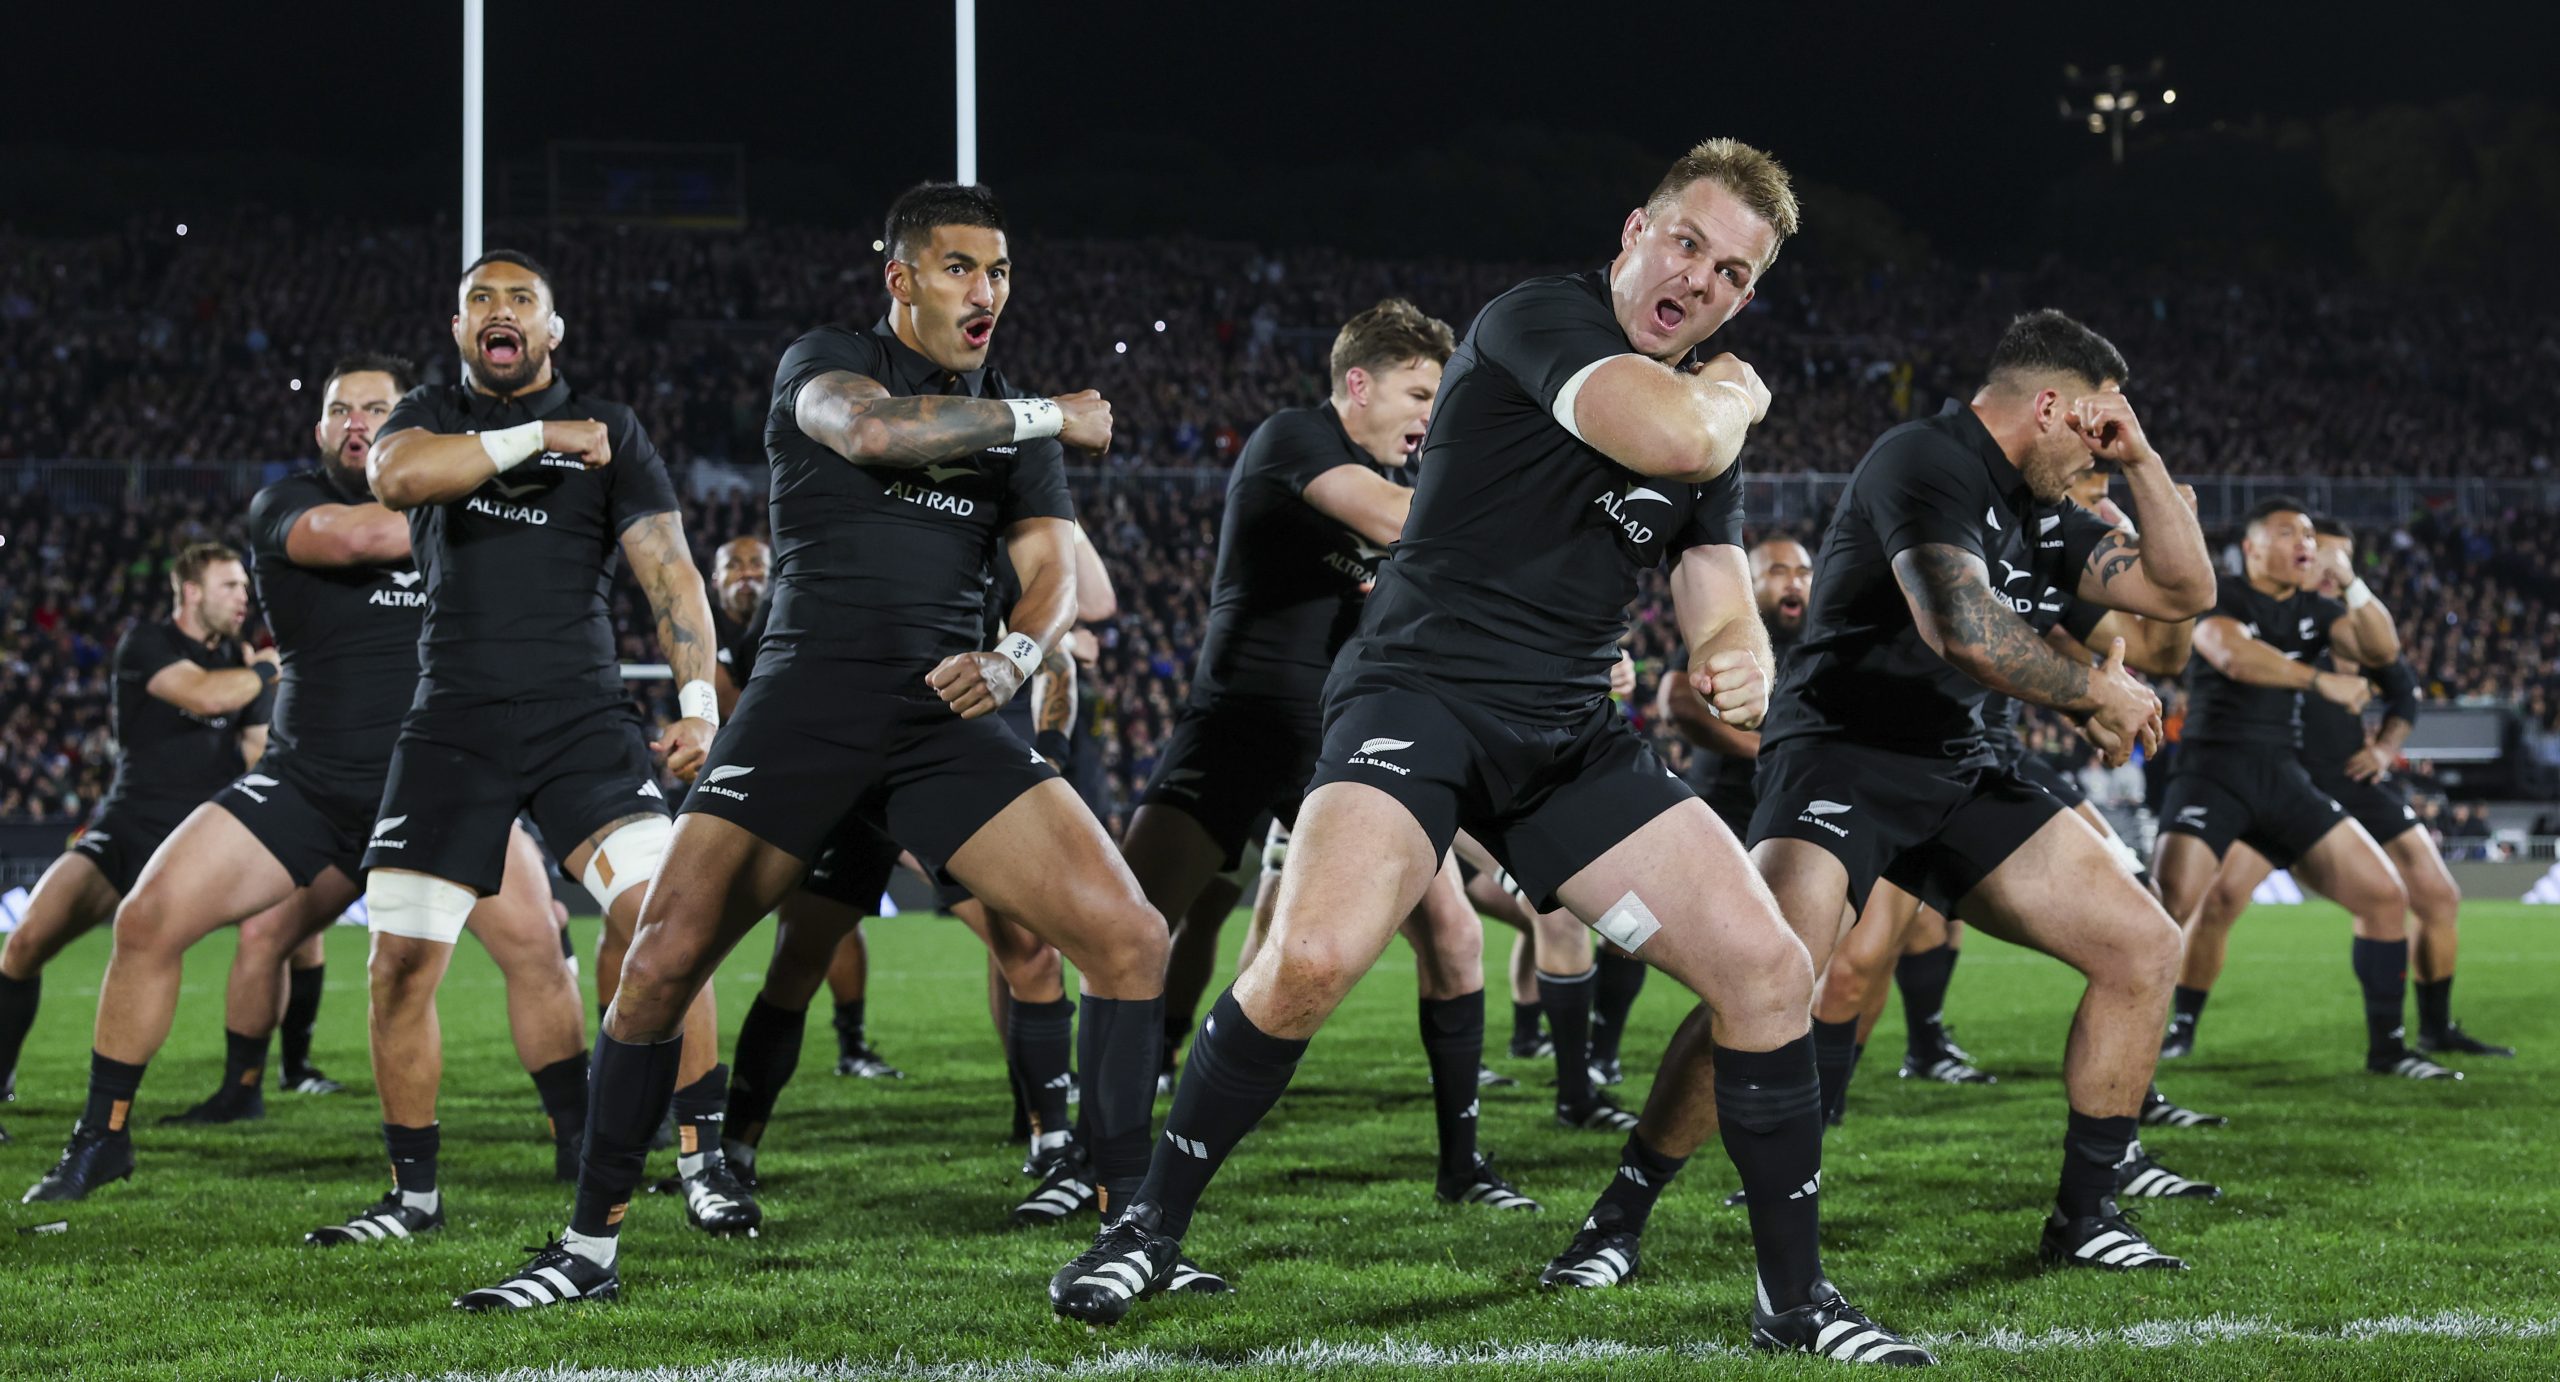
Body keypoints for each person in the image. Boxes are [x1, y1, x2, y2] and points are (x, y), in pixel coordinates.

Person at [1050, 140, 1924, 1362]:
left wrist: (1741, 650)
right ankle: (1146, 1224)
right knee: (1305, 958)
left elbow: (1712, 575)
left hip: (1565, 737)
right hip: (1419, 697)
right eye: (1687, 243)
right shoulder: (1541, 319)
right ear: (1634, 231)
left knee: (1771, 973)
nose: (1701, 279)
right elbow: (1675, 435)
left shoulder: (1700, 423)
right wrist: (1738, 392)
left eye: (1733, 274)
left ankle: (1793, 1301)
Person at [455, 184, 1176, 1312]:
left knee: (1129, 937)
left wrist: (1014, 661)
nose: (985, 291)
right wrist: (1043, 411)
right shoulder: (828, 359)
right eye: (959, 268)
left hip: (943, 718)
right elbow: (873, 430)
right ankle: (586, 1246)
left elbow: (1056, 578)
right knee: (657, 963)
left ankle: (1132, 1230)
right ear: (901, 278)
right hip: (801, 704)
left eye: (997, 271)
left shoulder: (1012, 423)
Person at [1561, 309, 2223, 1295]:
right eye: (2092, 424)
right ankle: (1617, 1217)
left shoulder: (2045, 509)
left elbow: (2182, 591)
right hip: (1840, 753)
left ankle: (2086, 1215)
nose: (2097, 444)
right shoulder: (1925, 457)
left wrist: (2143, 460)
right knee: (1771, 980)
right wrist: (2093, 690)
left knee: (2141, 944)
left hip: (1958, 760)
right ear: (2048, 405)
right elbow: (1957, 625)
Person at [21, 357, 592, 1209]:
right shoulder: (285, 504)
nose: (357, 419)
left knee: (538, 949)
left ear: (407, 419)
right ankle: (103, 1139)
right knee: (146, 919)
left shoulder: (461, 503)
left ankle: (577, 1141)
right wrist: (493, 484)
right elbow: (361, 536)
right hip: (307, 782)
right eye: (340, 410)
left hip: (436, 781)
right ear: (320, 431)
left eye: (377, 407)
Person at [320, 249, 737, 1250]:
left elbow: (673, 574)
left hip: (579, 717)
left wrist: (698, 703)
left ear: (552, 331)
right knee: (398, 965)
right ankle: (412, 1195)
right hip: (452, 722)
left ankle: (705, 1164)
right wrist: (538, 437)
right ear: (462, 330)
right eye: (478, 299)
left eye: (520, 299)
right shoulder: (430, 412)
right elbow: (394, 473)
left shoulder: (616, 432)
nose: (497, 311)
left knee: (658, 921)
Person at [1123, 298, 1534, 1208]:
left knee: (1455, 935)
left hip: (1333, 738)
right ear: (1359, 385)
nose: (1433, 415)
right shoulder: (1295, 439)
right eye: (1422, 392)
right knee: (1131, 930)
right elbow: (1395, 521)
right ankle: (1091, 1152)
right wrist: (1516, 484)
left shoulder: (1391, 471)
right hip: (1234, 725)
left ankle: (1461, 1170)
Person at [2161, 514, 2507, 1069]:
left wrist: (2382, 748)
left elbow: (2402, 688)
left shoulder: (2340, 620)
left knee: (2432, 896)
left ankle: (2427, 1032)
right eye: (2312, 551)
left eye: (2331, 556)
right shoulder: (2255, 608)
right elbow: (2224, 651)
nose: (2321, 562)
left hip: (2349, 778)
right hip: (2279, 775)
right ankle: (2181, 1026)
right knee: (2218, 900)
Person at [0, 543, 275, 1152]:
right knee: (25, 941)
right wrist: (265, 671)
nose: (243, 597)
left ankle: (245, 1088)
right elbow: (205, 696)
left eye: (244, 586)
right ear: (191, 591)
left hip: (208, 834)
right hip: (130, 824)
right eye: (230, 586)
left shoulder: (241, 660)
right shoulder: (146, 644)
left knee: (284, 933)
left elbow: (256, 747)